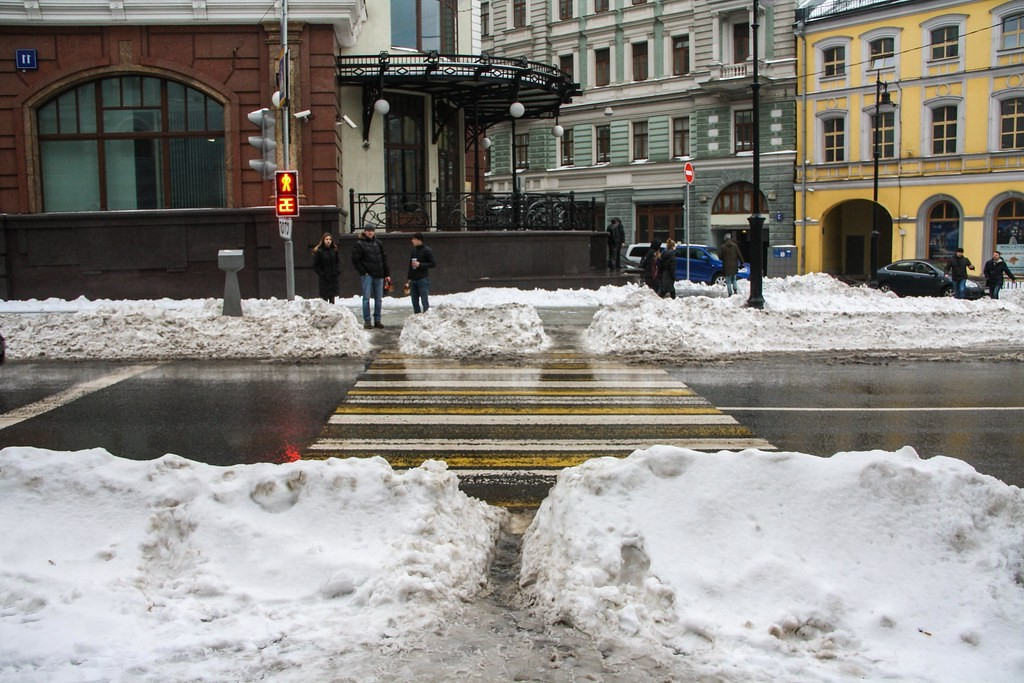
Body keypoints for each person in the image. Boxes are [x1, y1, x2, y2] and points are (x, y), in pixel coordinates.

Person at [351, 224, 390, 329]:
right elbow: (355, 260)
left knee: (379, 299)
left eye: (372, 231)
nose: (370, 232)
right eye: (368, 231)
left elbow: (384, 259)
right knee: (366, 298)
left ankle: (377, 320)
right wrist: (364, 272)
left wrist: (387, 274)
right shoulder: (359, 244)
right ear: (365, 231)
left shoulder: (378, 243)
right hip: (367, 275)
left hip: (379, 274)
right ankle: (367, 320)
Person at [407, 232, 436, 313]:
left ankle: (426, 315)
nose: (412, 241)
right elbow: (410, 264)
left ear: (419, 240)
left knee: (424, 299)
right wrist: (409, 278)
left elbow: (433, 264)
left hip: (423, 278)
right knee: (414, 300)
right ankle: (417, 316)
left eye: (414, 239)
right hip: (414, 278)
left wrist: (420, 264)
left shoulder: (427, 250)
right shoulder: (414, 250)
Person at [311, 233, 341, 303]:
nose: (328, 241)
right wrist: (322, 274)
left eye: (330, 239)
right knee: (324, 297)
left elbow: (337, 262)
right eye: (326, 239)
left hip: (333, 277)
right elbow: (316, 265)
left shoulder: (334, 250)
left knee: (332, 297)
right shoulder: (319, 251)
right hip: (324, 278)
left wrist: (337, 271)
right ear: (323, 240)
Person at [719, 233, 745, 297]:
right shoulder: (735, 246)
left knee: (728, 281)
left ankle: (730, 293)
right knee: (734, 279)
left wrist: (724, 258)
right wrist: (742, 262)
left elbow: (720, 257)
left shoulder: (723, 247)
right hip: (734, 266)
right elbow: (739, 255)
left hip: (726, 266)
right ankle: (735, 290)